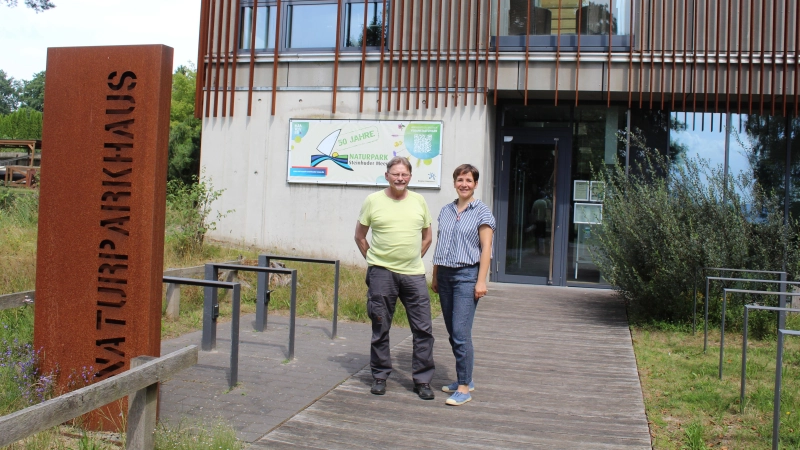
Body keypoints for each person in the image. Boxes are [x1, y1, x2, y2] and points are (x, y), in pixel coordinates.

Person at [354, 156, 436, 400]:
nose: (400, 178)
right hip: (382, 274)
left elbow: (428, 237)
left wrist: (412, 258)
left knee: (423, 329)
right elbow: (360, 236)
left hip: (413, 274)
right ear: (387, 175)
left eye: (405, 174)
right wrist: (375, 261)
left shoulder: (419, 201)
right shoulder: (373, 201)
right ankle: (380, 376)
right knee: (381, 326)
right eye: (396, 174)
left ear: (410, 176)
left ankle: (422, 381)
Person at [431, 164, 495, 406]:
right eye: (460, 179)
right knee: (452, 332)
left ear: (475, 184)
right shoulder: (446, 211)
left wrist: (481, 281)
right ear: (455, 182)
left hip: (467, 276)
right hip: (445, 275)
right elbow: (440, 244)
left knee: (460, 333)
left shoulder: (482, 212)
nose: (464, 184)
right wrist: (436, 275)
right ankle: (464, 377)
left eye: (469, 180)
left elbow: (486, 249)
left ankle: (464, 388)